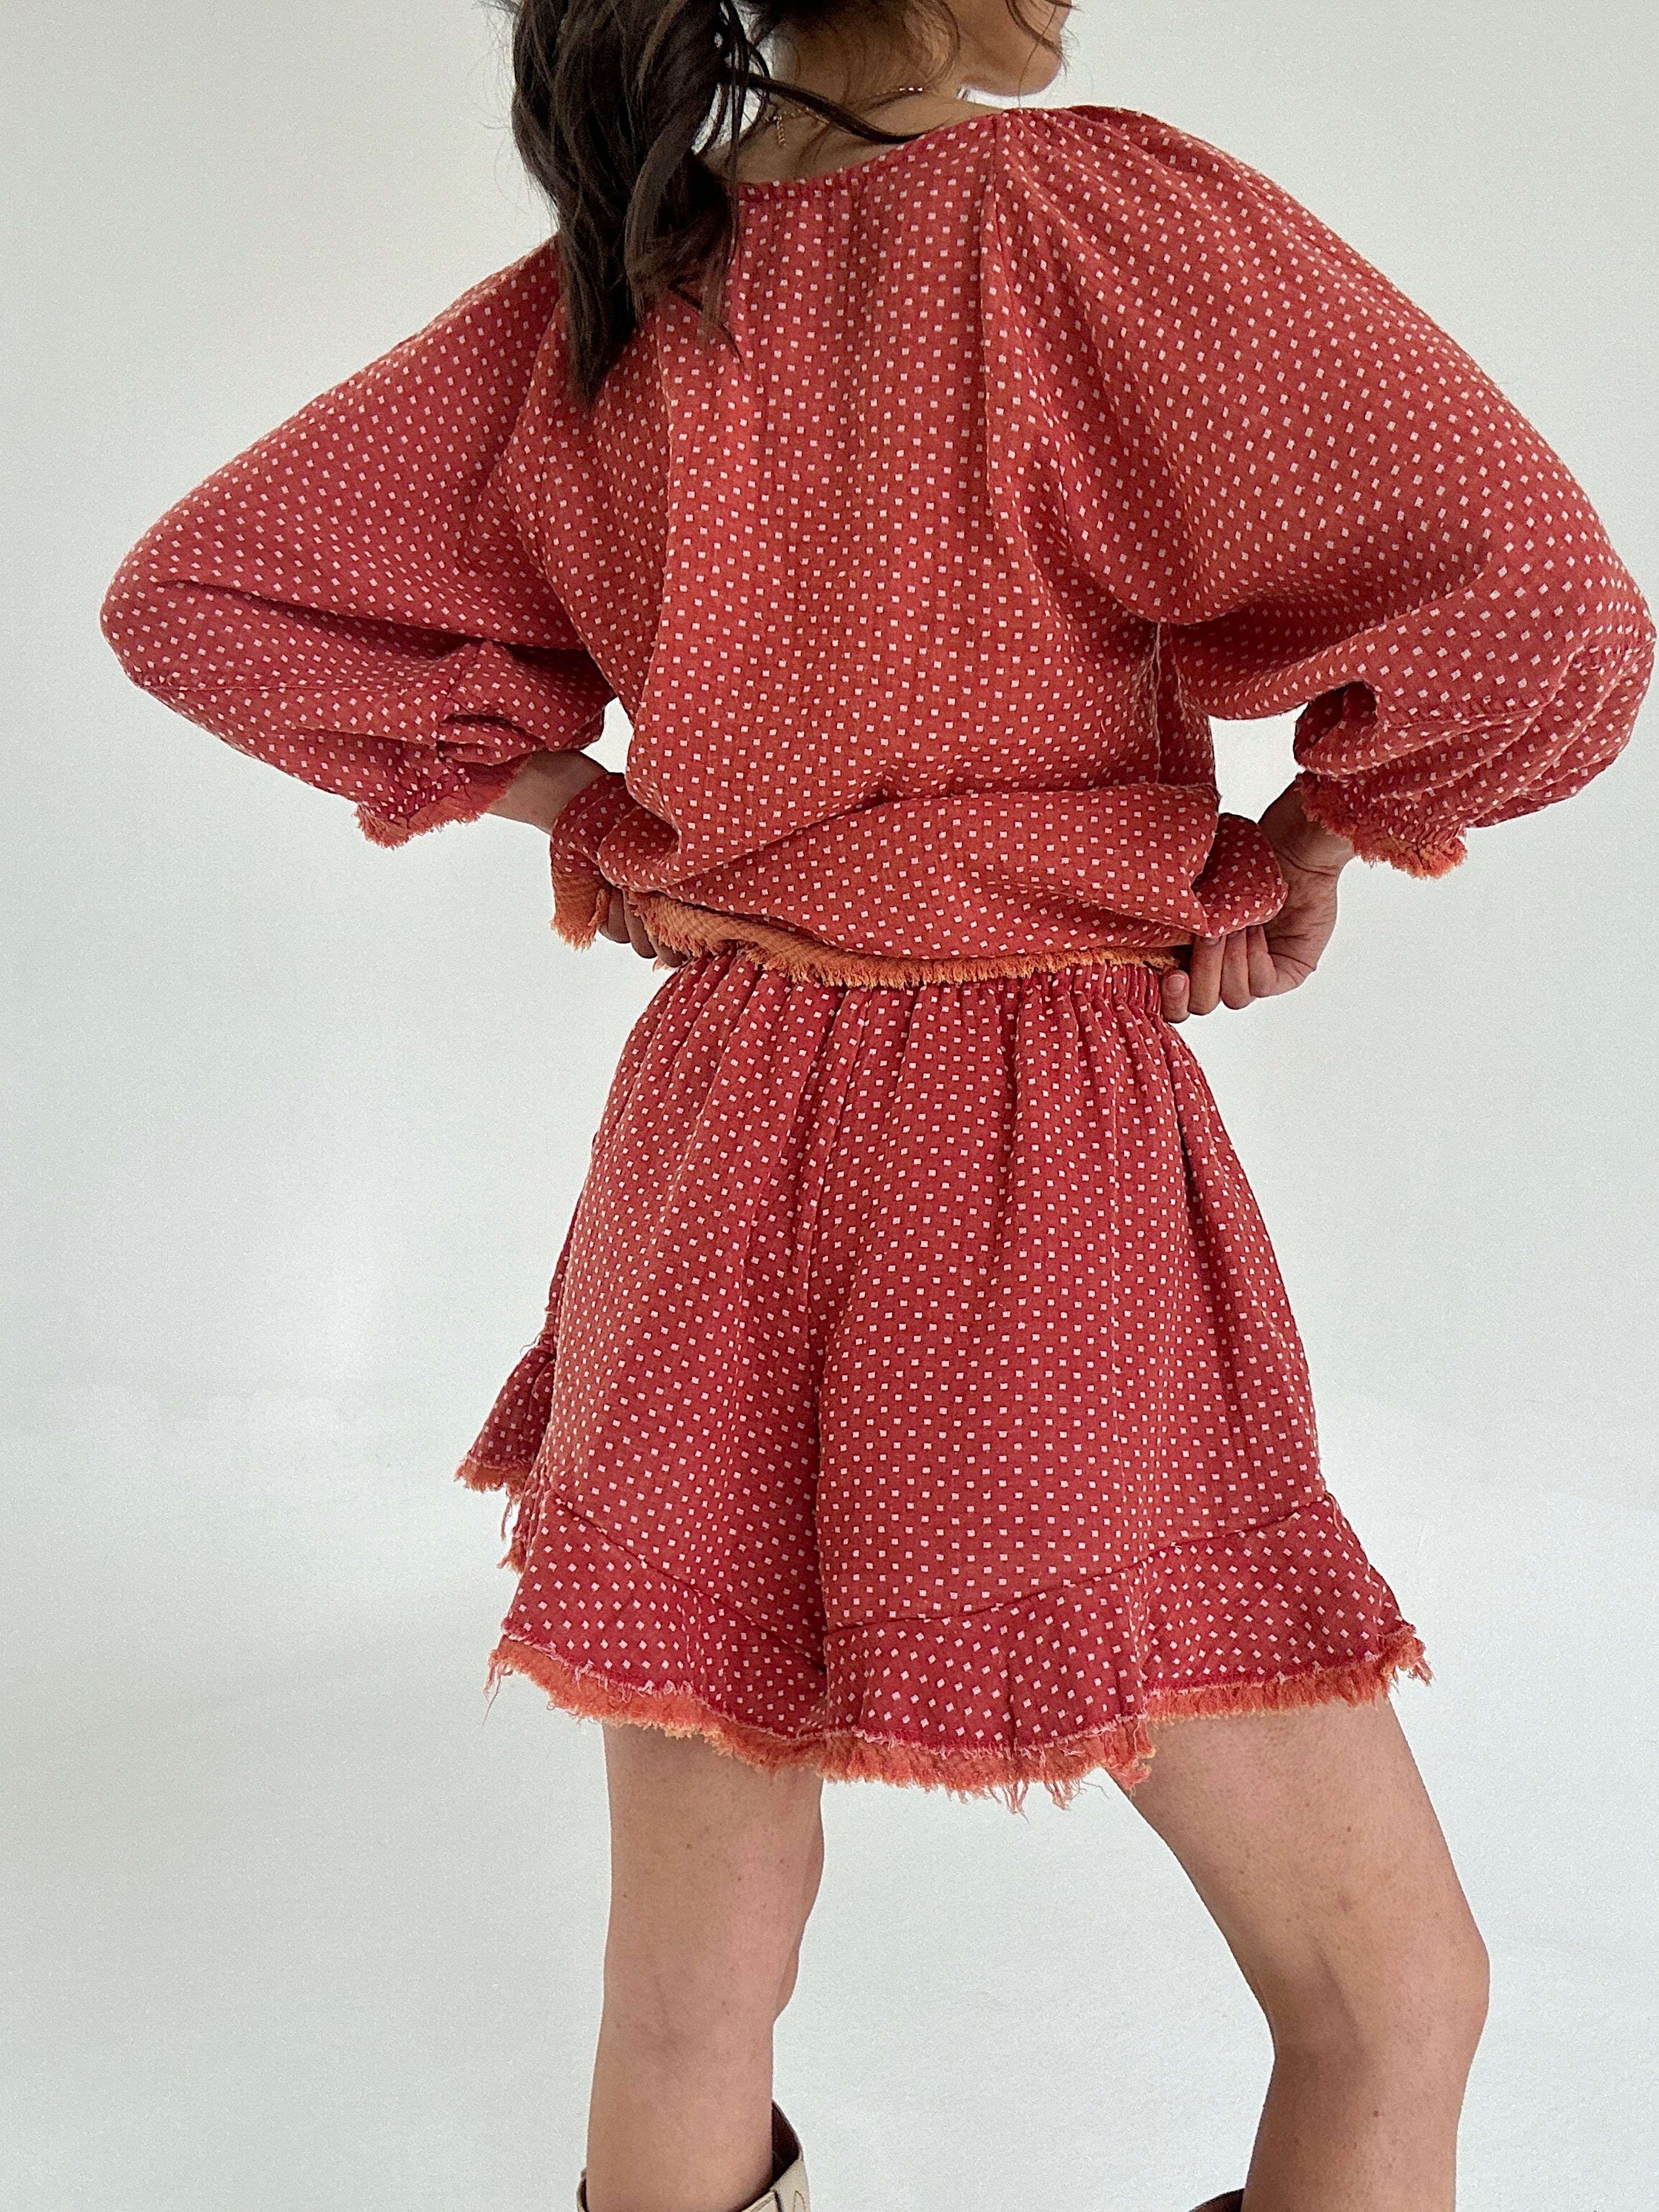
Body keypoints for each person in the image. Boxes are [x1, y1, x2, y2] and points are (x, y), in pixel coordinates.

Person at [99, 0, 1651, 2203]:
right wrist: (1311, 841)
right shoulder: (1080, 219)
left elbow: (199, 601)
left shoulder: (617, 298)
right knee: (1392, 1998)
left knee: (685, 1999)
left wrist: (577, 793)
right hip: (1030, 1162)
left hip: (714, 1134)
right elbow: (1553, 615)